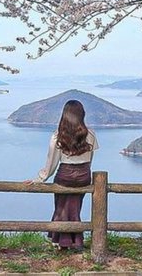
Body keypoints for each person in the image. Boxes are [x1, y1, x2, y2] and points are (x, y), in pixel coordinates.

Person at [25, 99, 98, 251]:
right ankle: (75, 241)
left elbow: (51, 162)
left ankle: (61, 242)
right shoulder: (90, 134)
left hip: (65, 175)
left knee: (61, 207)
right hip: (84, 175)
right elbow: (90, 160)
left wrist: (39, 179)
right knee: (75, 207)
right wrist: (84, 174)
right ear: (82, 115)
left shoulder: (58, 135)